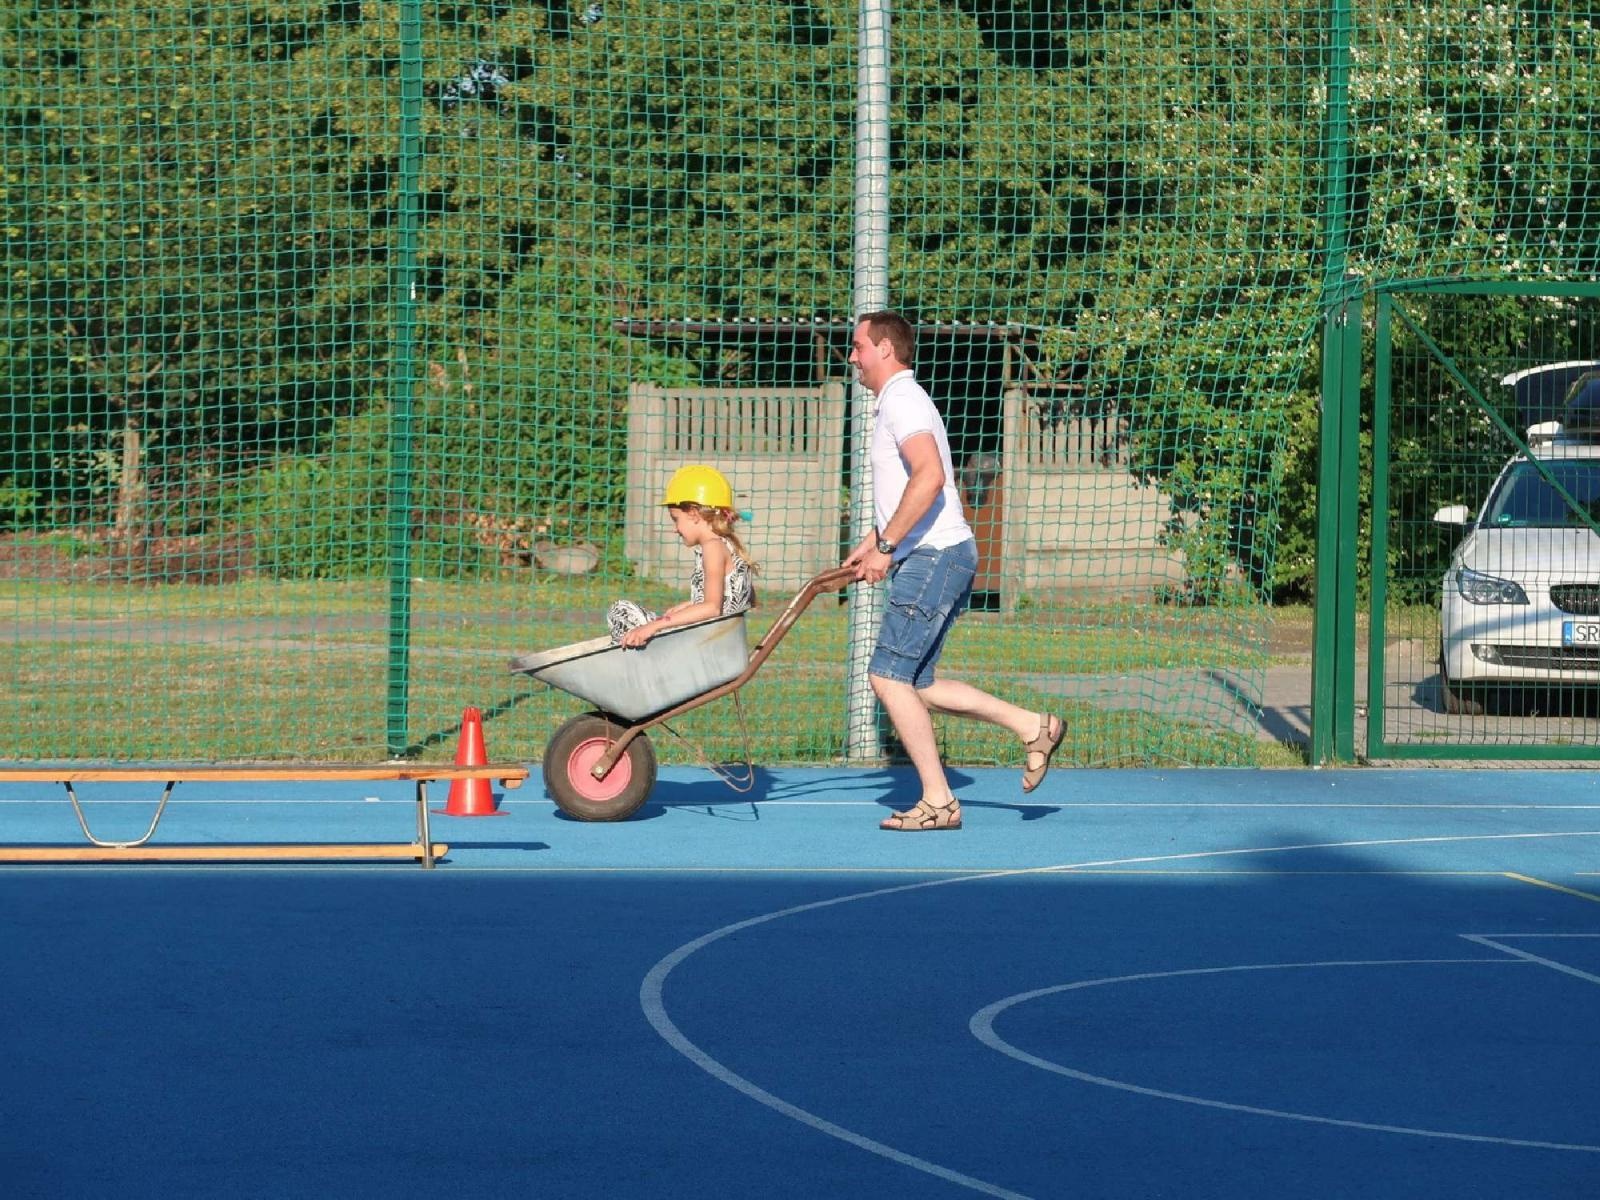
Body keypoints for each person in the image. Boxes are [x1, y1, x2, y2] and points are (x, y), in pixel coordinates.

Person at [842, 310, 1064, 831]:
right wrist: (871, 543)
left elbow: (930, 478)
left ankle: (939, 801)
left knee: (886, 676)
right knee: (916, 684)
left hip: (933, 558)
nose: (852, 357)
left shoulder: (901, 400)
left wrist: (888, 546)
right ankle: (1034, 727)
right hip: (939, 553)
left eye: (857, 347)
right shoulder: (895, 403)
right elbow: (914, 495)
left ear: (885, 349)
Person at [609, 464, 757, 648]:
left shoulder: (712, 548)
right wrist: (691, 604)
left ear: (694, 514)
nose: (675, 529)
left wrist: (655, 626)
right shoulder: (727, 545)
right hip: (719, 640)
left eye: (675, 519)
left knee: (621, 611)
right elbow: (734, 599)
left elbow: (712, 607)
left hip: (705, 644)